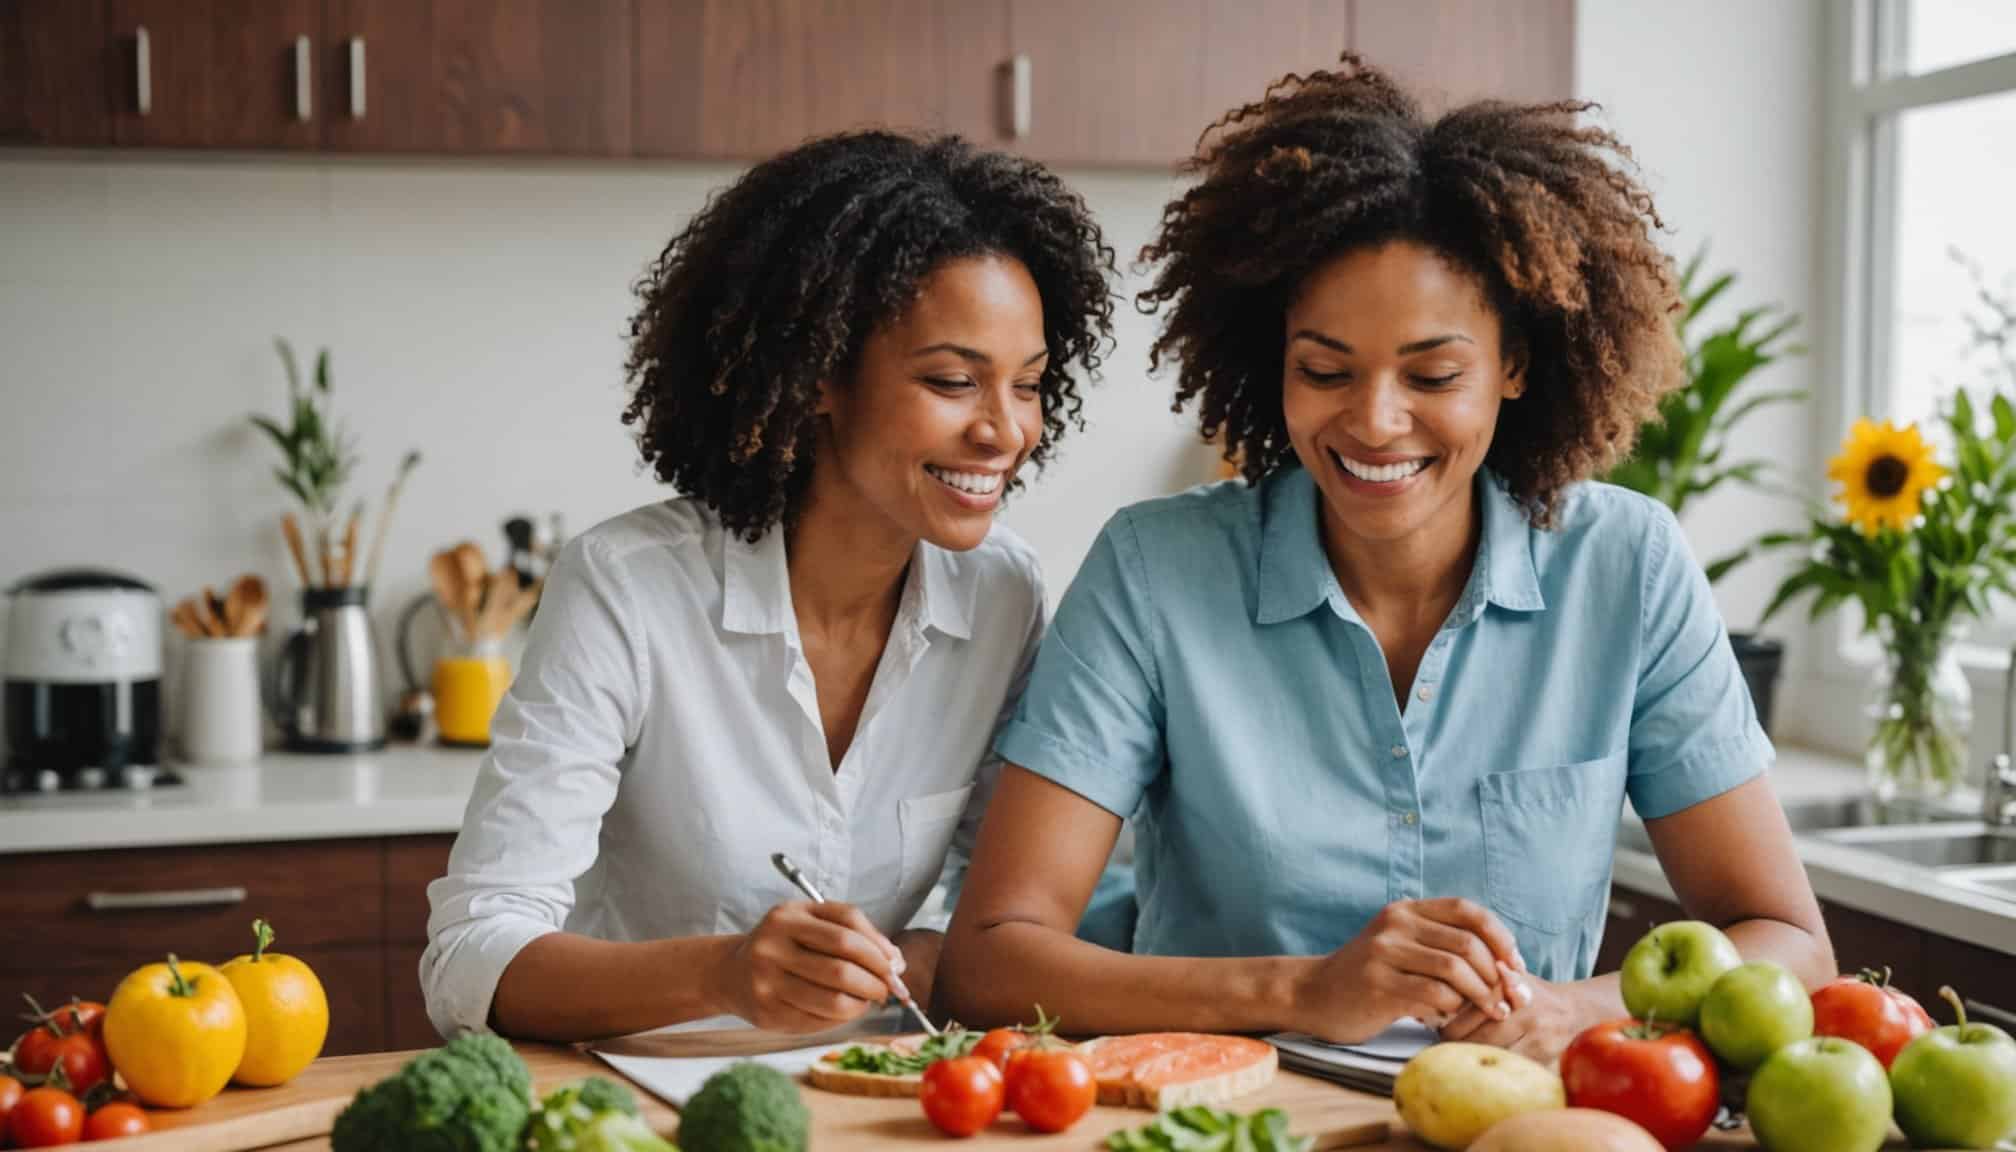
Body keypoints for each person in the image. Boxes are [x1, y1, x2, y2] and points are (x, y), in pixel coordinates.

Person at [937, 56, 1832, 1065]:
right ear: (1272, 357)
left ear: (1517, 364)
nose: (1373, 421)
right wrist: (1309, 989)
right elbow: (990, 962)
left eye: (1433, 373)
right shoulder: (1158, 572)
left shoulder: (1625, 568)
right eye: (1325, 369)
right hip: (1228, 1125)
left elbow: (1792, 945)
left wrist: (1574, 1009)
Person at [422, 130, 1115, 1042]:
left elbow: (988, 912)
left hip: (881, 1102)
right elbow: (471, 955)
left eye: (1027, 386)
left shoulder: (1002, 593)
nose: (1004, 431)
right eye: (953, 380)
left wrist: (921, 957)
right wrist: (723, 972)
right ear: (820, 372)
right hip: (635, 1104)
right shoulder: (629, 588)